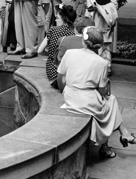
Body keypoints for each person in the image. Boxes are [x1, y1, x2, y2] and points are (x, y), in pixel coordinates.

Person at [57, 26, 136, 159]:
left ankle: (121, 137)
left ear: (83, 41)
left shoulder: (70, 53)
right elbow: (102, 91)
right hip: (87, 101)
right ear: (99, 46)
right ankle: (118, 138)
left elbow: (60, 78)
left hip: (70, 96)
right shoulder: (102, 63)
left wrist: (65, 93)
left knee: (109, 103)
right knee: (111, 101)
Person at [86, 0, 118, 75]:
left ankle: (104, 70)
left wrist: (98, 6)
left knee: (103, 47)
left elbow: (113, 7)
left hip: (102, 24)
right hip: (93, 22)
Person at [38, 4, 76, 88]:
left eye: (58, 18)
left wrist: (50, 54)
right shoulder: (75, 32)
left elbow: (39, 50)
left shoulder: (53, 30)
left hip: (53, 70)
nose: (55, 20)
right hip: (70, 71)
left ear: (65, 18)